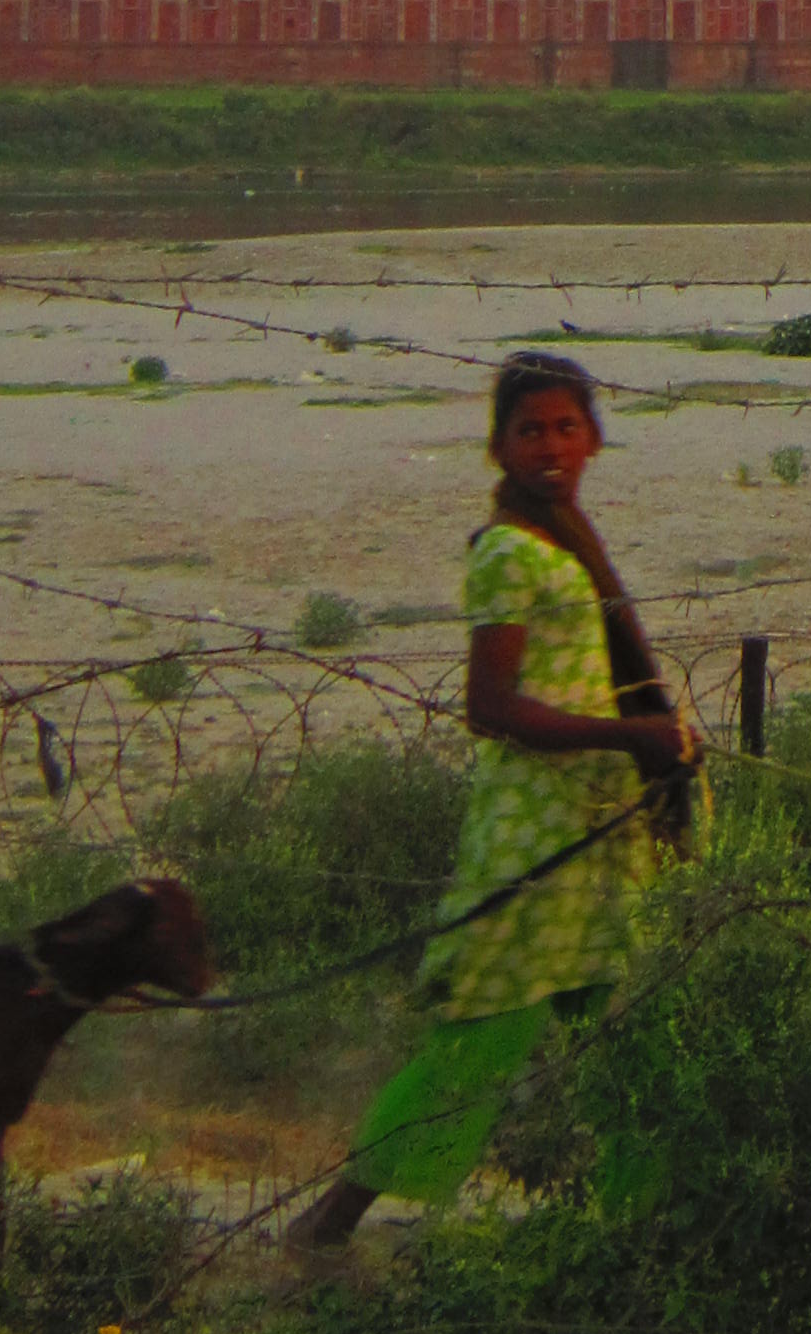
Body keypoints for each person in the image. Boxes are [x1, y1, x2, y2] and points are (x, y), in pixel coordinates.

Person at [297, 349, 697, 1247]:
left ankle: (641, 1225)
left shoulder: (569, 535)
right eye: (530, 430)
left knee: (636, 1029)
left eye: (566, 426)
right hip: (533, 836)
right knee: (480, 1038)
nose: (550, 445)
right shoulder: (511, 552)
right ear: (498, 447)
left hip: (604, 832)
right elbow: (492, 708)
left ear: (594, 438)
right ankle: (332, 1223)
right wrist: (629, 737)